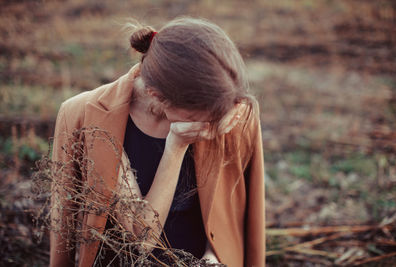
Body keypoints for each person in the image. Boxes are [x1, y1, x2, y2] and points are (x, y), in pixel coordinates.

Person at [50, 17, 265, 267]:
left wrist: (214, 257)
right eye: (202, 120)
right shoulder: (86, 116)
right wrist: (176, 146)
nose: (217, 125)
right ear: (157, 96)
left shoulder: (231, 110)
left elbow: (242, 216)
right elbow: (139, 239)